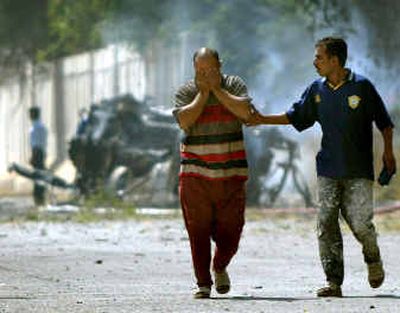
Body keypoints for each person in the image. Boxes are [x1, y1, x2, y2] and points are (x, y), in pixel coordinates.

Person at [248, 37, 396, 297]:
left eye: (319, 57)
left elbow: (384, 122)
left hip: (358, 171)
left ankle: (373, 259)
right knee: (326, 222)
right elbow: (295, 116)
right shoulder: (317, 90)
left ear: (334, 60)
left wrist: (388, 153)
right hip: (328, 169)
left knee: (360, 223)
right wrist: (261, 119)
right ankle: (333, 282)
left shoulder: (362, 87)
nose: (314, 62)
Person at [173, 47, 254, 298]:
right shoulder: (186, 91)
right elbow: (184, 121)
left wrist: (218, 90)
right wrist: (204, 94)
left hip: (231, 174)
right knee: (197, 232)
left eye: (211, 70)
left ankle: (219, 266)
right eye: (201, 71)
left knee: (232, 232)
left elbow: (244, 112)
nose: (206, 75)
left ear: (221, 66)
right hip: (195, 173)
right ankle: (203, 284)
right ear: (194, 70)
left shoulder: (235, 85)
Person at [29, 106, 48, 206]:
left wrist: (33, 156)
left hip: (37, 153)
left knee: (37, 176)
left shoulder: (35, 127)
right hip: (42, 153)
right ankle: (41, 197)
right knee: (40, 175)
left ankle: (39, 198)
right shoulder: (42, 126)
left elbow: (36, 145)